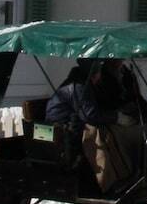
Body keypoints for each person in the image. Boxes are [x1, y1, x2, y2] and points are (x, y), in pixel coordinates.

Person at [47, 61, 129, 191]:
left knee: (107, 131)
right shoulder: (79, 86)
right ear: (95, 73)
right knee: (97, 135)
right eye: (99, 72)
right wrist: (117, 117)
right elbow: (90, 115)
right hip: (62, 130)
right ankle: (106, 180)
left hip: (72, 124)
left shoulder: (84, 83)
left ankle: (120, 173)